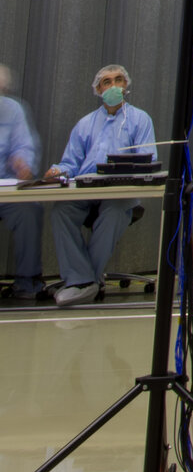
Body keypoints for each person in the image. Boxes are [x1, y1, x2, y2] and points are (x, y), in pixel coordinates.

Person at [44, 64, 157, 305]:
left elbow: (149, 159)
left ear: (126, 85)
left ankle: (82, 283)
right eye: (107, 82)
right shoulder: (85, 124)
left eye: (118, 80)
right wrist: (57, 171)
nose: (114, 86)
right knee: (61, 210)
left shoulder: (140, 119)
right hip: (86, 191)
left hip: (120, 194)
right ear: (98, 89)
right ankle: (85, 280)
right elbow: (70, 163)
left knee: (113, 211)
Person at [0, 65, 45, 301]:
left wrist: (23, 164)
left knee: (30, 209)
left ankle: (28, 282)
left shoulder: (13, 109)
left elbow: (24, 145)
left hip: (6, 188)